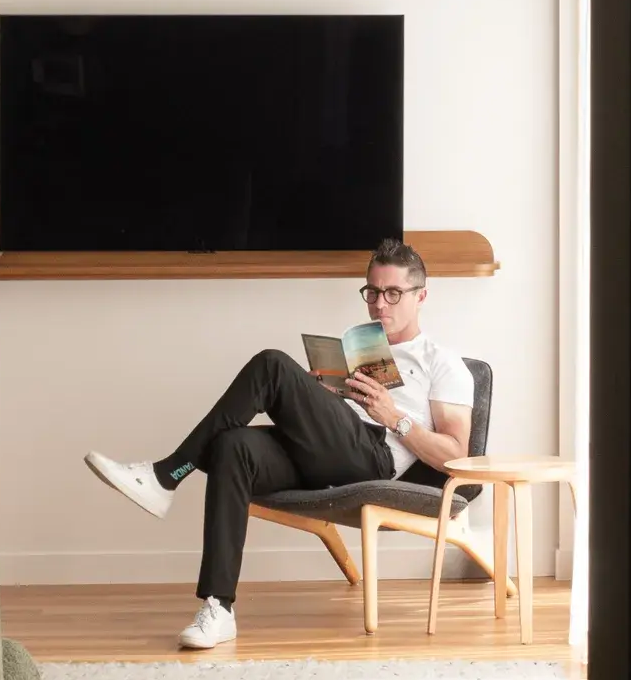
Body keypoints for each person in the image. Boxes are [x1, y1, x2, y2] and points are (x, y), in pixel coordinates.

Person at [83, 238, 475, 651]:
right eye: (372, 292)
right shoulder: (356, 344)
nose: (380, 304)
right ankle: (219, 608)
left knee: (272, 364)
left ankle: (166, 475)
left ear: (421, 296)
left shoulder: (441, 362)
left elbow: (456, 455)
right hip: (327, 450)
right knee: (234, 446)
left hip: (373, 455)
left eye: (393, 293)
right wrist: (317, 394)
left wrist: (393, 415)